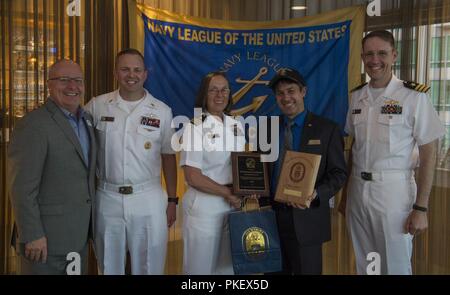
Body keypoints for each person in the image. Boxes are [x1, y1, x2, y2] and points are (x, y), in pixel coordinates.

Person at [342, 30, 445, 275]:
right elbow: (355, 149)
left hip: (393, 192)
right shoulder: (357, 97)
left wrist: (420, 208)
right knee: (366, 263)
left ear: (394, 55)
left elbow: (429, 151)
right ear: (362, 57)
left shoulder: (413, 96)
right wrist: (346, 194)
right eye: (369, 54)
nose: (374, 60)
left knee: (395, 265)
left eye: (382, 53)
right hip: (358, 190)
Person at [84, 48, 177, 275]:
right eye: (125, 69)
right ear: (116, 73)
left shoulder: (163, 111)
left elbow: (168, 156)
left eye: (137, 70)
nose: (131, 75)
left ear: (145, 74)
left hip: (148, 198)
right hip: (107, 198)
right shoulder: (97, 106)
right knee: (108, 266)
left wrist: (173, 200)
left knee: (149, 267)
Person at [8, 59, 96, 275]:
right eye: (63, 80)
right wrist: (32, 234)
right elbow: (21, 188)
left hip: (79, 237)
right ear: (49, 84)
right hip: (45, 242)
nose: (72, 87)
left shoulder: (87, 120)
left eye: (77, 80)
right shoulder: (33, 125)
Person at [268, 68, 347, 274]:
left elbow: (339, 173)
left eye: (291, 91)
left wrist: (316, 194)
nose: (286, 98)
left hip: (307, 218)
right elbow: (261, 169)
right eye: (280, 93)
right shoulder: (267, 129)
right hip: (271, 219)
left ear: (303, 91)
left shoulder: (327, 129)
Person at [179, 71, 246, 275]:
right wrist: (228, 194)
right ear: (204, 95)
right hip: (204, 207)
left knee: (227, 271)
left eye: (224, 89)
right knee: (200, 271)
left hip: (232, 207)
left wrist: (244, 191)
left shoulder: (237, 125)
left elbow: (241, 166)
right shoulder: (195, 127)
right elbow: (193, 176)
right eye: (213, 90)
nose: (220, 95)